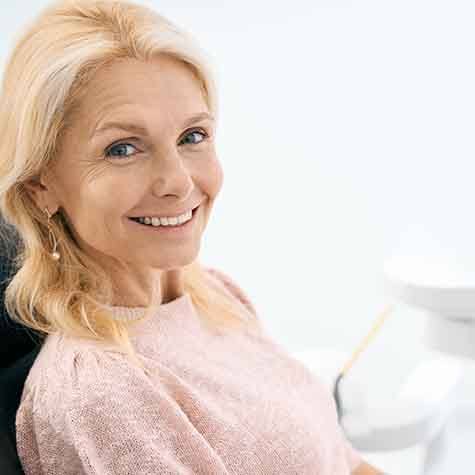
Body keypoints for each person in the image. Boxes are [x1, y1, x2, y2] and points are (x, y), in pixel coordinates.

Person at [0, 0, 384, 473]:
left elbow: (340, 459)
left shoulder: (214, 295)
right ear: (41, 184)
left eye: (192, 136)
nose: (178, 182)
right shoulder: (101, 393)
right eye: (123, 149)